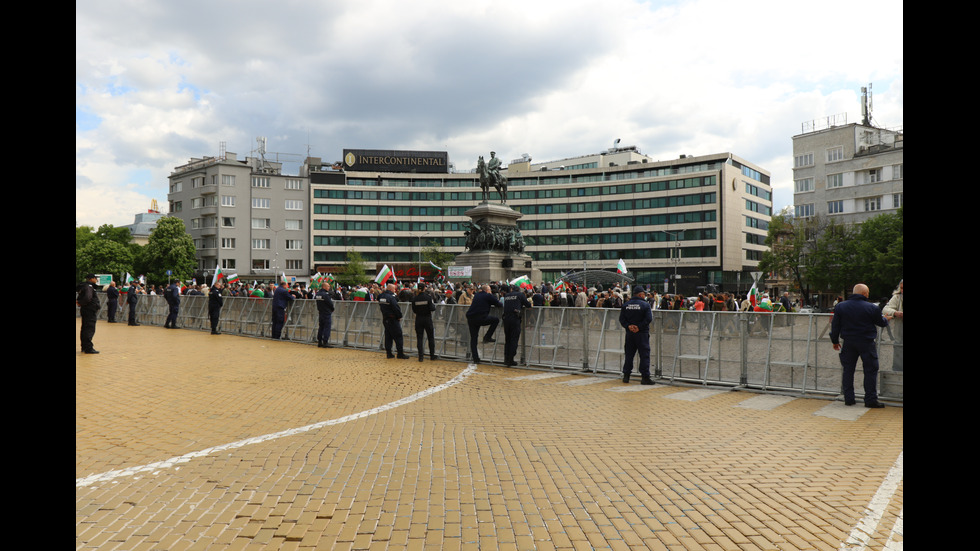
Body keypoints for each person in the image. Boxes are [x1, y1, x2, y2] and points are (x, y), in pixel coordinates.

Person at [830, 283, 890, 408]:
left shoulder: (841, 306)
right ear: (865, 294)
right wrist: (886, 319)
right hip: (866, 342)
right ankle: (870, 399)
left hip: (848, 342)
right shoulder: (872, 308)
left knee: (848, 370)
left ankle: (849, 398)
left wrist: (835, 341)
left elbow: (835, 326)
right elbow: (881, 322)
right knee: (870, 370)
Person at [619, 287, 655, 385]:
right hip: (642, 333)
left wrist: (629, 326)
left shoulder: (626, 305)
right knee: (644, 355)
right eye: (644, 294)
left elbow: (622, 319)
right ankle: (645, 377)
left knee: (629, 354)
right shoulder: (645, 305)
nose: (645, 296)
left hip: (630, 334)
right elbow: (648, 319)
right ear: (640, 295)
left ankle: (626, 376)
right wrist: (639, 327)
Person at [466, 284, 502, 363]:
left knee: (473, 338)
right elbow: (499, 304)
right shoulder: (488, 296)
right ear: (487, 290)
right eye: (490, 290)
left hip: (471, 317)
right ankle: (487, 336)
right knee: (496, 320)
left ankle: (475, 358)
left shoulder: (477, 295)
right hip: (481, 317)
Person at [501, 284, 531, 367]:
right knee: (514, 339)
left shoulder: (506, 295)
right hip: (515, 318)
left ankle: (506, 359)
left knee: (508, 339)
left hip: (506, 319)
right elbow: (528, 304)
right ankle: (511, 359)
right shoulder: (520, 295)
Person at [378, 283, 409, 359]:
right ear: (391, 289)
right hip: (392, 319)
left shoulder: (381, 296)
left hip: (385, 318)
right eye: (394, 289)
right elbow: (396, 307)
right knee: (398, 336)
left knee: (388, 336)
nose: (395, 290)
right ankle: (400, 353)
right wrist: (399, 316)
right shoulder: (391, 297)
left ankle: (389, 353)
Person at [411, 283, 438, 362]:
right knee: (430, 337)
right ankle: (432, 355)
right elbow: (432, 308)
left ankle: (420, 357)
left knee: (419, 338)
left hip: (419, 319)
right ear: (424, 288)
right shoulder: (428, 297)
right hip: (427, 318)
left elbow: (414, 310)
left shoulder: (415, 298)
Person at [882, 279, 903, 372]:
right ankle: (897, 373)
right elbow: (885, 309)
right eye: (902, 288)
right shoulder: (897, 297)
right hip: (900, 333)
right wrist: (895, 313)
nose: (903, 290)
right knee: (898, 350)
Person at [77, 273, 101, 354]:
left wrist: (80, 302)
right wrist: (81, 303)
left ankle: (84, 346)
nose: (96, 280)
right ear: (91, 279)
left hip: (86, 309)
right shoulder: (89, 287)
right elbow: (88, 298)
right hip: (90, 310)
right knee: (89, 329)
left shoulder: (84, 286)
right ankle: (88, 348)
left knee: (85, 328)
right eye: (95, 278)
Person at [315, 282, 335, 347]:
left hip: (321, 312)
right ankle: (325, 342)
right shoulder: (325, 295)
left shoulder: (318, 294)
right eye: (328, 286)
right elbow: (330, 303)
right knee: (327, 327)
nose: (329, 288)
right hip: (326, 312)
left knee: (321, 327)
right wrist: (332, 309)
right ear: (324, 287)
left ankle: (319, 341)